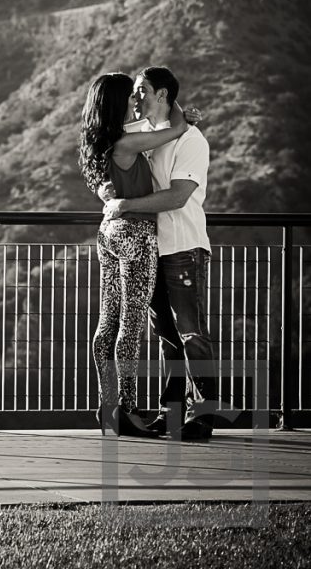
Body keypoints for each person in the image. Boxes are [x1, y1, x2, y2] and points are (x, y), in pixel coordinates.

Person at [102, 66, 216, 442]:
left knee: (191, 335)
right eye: (135, 91)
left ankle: (204, 415)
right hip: (149, 250)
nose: (136, 98)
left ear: (163, 95)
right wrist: (106, 191)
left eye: (143, 90)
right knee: (167, 336)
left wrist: (126, 204)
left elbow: (178, 195)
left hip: (183, 249)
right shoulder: (139, 134)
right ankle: (172, 414)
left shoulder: (192, 141)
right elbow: (109, 158)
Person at [79, 71, 194, 438]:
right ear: (117, 102)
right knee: (130, 324)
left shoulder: (102, 142)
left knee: (107, 320)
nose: (135, 99)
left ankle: (107, 404)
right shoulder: (126, 144)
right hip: (137, 234)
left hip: (108, 234)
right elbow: (176, 130)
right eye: (130, 95)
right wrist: (172, 100)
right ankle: (127, 410)